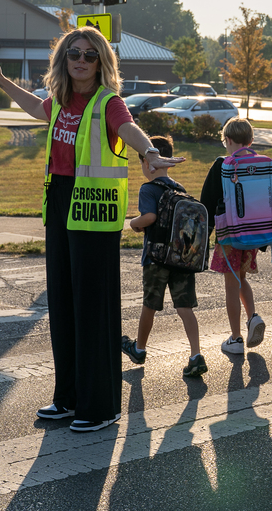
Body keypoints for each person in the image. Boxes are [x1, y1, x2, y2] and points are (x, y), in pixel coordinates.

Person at [0, 26, 183, 433]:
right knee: (62, 303)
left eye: (90, 55)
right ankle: (69, 398)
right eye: (73, 52)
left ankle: (101, 404)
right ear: (62, 59)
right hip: (59, 203)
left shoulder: (108, 102)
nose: (80, 59)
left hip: (94, 210)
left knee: (93, 308)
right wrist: (2, 80)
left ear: (102, 63)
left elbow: (128, 128)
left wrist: (149, 152)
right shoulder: (59, 101)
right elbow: (32, 106)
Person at [121, 135, 208, 378]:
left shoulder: (148, 189)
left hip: (157, 259)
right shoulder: (178, 188)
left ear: (147, 162)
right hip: (182, 258)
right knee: (185, 306)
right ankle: (195, 354)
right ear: (168, 162)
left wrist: (133, 223)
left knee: (150, 305)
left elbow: (149, 218)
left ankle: (139, 349)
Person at [200, 117, 266, 355]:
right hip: (252, 236)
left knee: (231, 285)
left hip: (228, 236)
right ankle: (253, 317)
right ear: (250, 140)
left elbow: (206, 202)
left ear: (227, 140)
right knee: (241, 279)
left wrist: (204, 237)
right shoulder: (258, 164)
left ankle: (236, 338)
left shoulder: (222, 164)